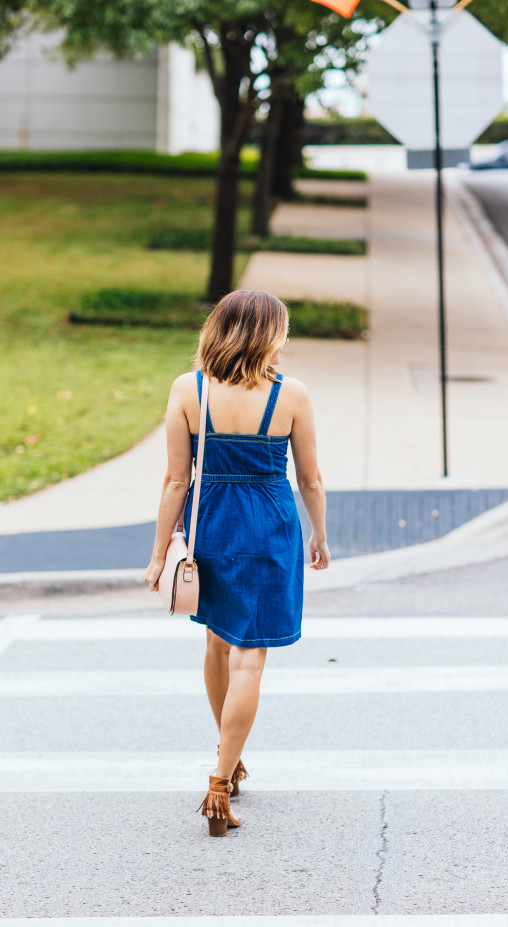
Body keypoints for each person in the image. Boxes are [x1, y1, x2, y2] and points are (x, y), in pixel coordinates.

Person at [144, 289, 330, 836]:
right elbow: (311, 480)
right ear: (269, 336)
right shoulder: (291, 395)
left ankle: (230, 755)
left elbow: (177, 479)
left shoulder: (189, 389)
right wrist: (320, 535)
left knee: (216, 644)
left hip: (214, 526)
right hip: (271, 528)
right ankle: (221, 781)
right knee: (249, 660)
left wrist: (159, 556)